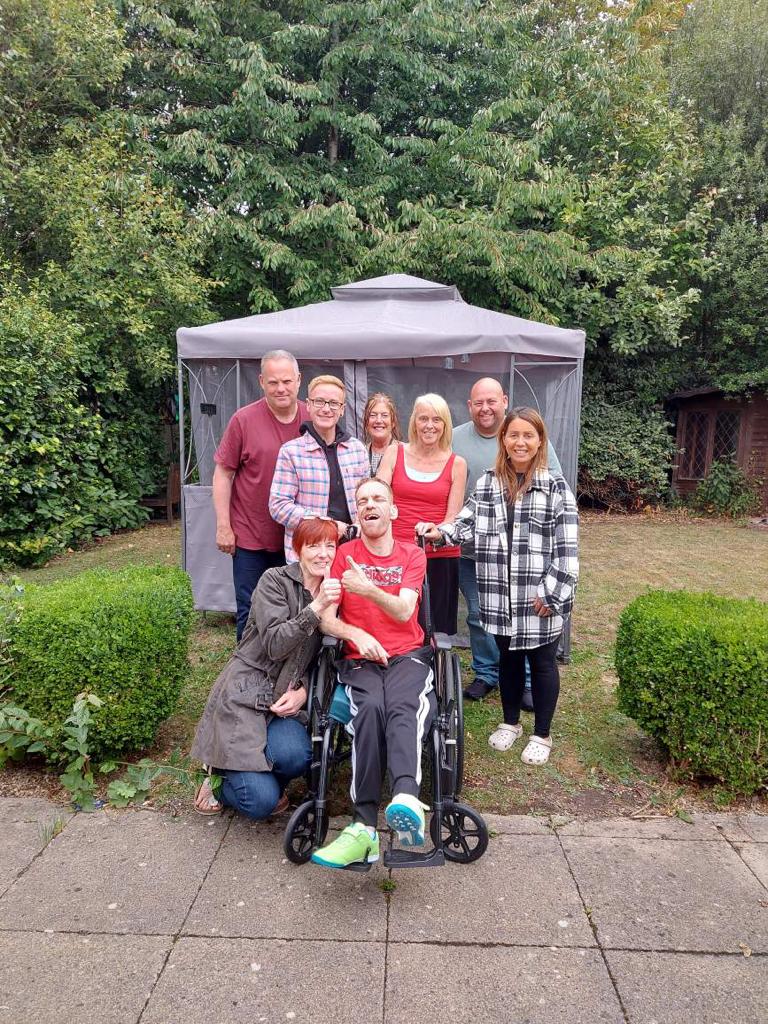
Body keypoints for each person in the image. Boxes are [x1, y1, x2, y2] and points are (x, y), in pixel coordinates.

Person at [418, 408, 578, 767]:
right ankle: (510, 722)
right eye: (513, 435)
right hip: (498, 592)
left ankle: (542, 733)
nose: (520, 442)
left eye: (528, 436)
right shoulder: (489, 483)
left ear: (540, 442)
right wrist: (441, 532)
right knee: (507, 658)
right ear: (503, 440)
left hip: (538, 597)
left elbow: (568, 552)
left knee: (542, 662)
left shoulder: (556, 488)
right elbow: (467, 520)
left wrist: (552, 594)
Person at [310, 477, 435, 869]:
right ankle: (363, 826)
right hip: (358, 660)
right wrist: (356, 633)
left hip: (407, 655)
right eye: (362, 500)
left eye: (378, 498)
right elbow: (326, 620)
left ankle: (405, 798)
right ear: (358, 515)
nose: (369, 504)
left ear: (393, 510)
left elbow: (403, 611)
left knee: (402, 704)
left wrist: (366, 590)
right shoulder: (343, 554)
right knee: (368, 712)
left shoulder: (412, 555)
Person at [191, 517, 341, 818]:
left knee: (296, 757)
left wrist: (303, 692)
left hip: (285, 698)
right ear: (298, 549)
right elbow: (274, 644)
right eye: (313, 546)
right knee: (260, 804)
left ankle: (256, 775)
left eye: (330, 545)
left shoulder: (336, 594)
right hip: (247, 690)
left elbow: (329, 661)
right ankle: (217, 776)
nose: (323, 554)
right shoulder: (274, 580)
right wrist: (316, 607)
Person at [452, 378, 562, 704]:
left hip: (524, 556)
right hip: (475, 550)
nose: (485, 408)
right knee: (478, 614)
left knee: (524, 615)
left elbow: (552, 480)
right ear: (469, 406)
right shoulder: (455, 438)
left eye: (491, 401)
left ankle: (526, 679)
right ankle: (487, 673)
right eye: (478, 402)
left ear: (503, 400)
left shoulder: (524, 436)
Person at [212, 350, 307, 640]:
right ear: (261, 381)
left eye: (287, 381)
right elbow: (223, 474)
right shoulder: (243, 420)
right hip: (250, 536)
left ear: (299, 381)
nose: (281, 388)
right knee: (250, 608)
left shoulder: (313, 417)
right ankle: (246, 674)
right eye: (274, 382)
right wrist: (224, 526)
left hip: (295, 537)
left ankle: (288, 673)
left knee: (293, 608)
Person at [376, 394, 467, 634]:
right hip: (395, 555)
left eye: (436, 420)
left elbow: (453, 516)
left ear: (445, 424)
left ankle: (433, 669)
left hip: (438, 557)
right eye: (423, 418)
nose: (429, 425)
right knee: (394, 624)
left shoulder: (457, 463)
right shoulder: (394, 452)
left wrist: (436, 532)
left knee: (434, 627)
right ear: (414, 422)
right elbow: (378, 499)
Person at [269, 375, 369, 561]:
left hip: (353, 552)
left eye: (333, 403)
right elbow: (278, 506)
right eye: (319, 401)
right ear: (308, 405)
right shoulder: (291, 452)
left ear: (342, 409)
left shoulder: (357, 450)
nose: (326, 409)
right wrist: (325, 524)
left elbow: (366, 500)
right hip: (309, 554)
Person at [362, 392, 401, 475]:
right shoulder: (360, 453)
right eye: (373, 415)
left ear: (393, 422)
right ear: (366, 422)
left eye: (384, 415)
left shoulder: (404, 453)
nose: (378, 420)